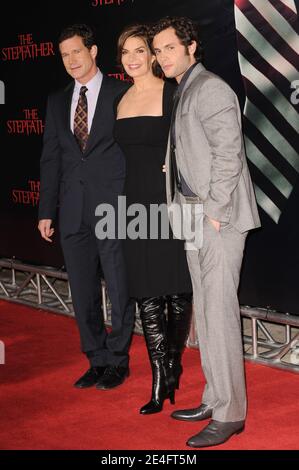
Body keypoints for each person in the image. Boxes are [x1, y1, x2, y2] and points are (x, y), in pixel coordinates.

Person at [152, 17, 261, 447]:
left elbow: (229, 153)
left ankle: (231, 414)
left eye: (168, 48)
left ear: (191, 47)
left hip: (216, 218)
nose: (161, 57)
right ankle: (216, 397)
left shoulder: (210, 87)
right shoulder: (185, 88)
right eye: (157, 50)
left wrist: (214, 212)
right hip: (192, 215)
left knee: (219, 315)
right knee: (208, 316)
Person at [38, 23, 135, 391]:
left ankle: (118, 359)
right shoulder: (57, 100)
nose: (71, 60)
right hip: (72, 209)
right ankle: (95, 357)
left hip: (114, 206)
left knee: (119, 284)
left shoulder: (121, 93)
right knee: (81, 289)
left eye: (77, 52)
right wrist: (46, 210)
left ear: (93, 52)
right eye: (64, 55)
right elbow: (51, 158)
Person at [114, 24, 193, 414]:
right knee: (146, 291)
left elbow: (190, 141)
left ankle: (173, 363)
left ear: (152, 55)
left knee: (177, 290)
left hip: (168, 202)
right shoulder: (120, 99)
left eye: (139, 51)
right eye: (125, 52)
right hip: (132, 206)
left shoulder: (173, 93)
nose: (132, 58)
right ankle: (160, 376)